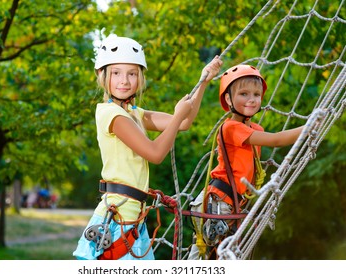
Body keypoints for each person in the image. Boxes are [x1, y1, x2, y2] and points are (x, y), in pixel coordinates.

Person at [73, 35, 223, 260]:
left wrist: (203, 82)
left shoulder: (134, 114)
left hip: (133, 219)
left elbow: (183, 122)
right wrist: (178, 114)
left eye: (132, 73)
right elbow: (155, 153)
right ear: (102, 76)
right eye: (116, 73)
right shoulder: (111, 114)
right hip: (117, 222)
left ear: (140, 78)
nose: (124, 80)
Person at [188, 64, 304, 259]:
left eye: (256, 95)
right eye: (243, 94)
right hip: (219, 202)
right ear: (228, 99)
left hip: (231, 202)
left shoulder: (255, 129)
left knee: (213, 256)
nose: (251, 99)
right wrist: (309, 127)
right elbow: (276, 140)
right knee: (213, 257)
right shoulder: (231, 128)